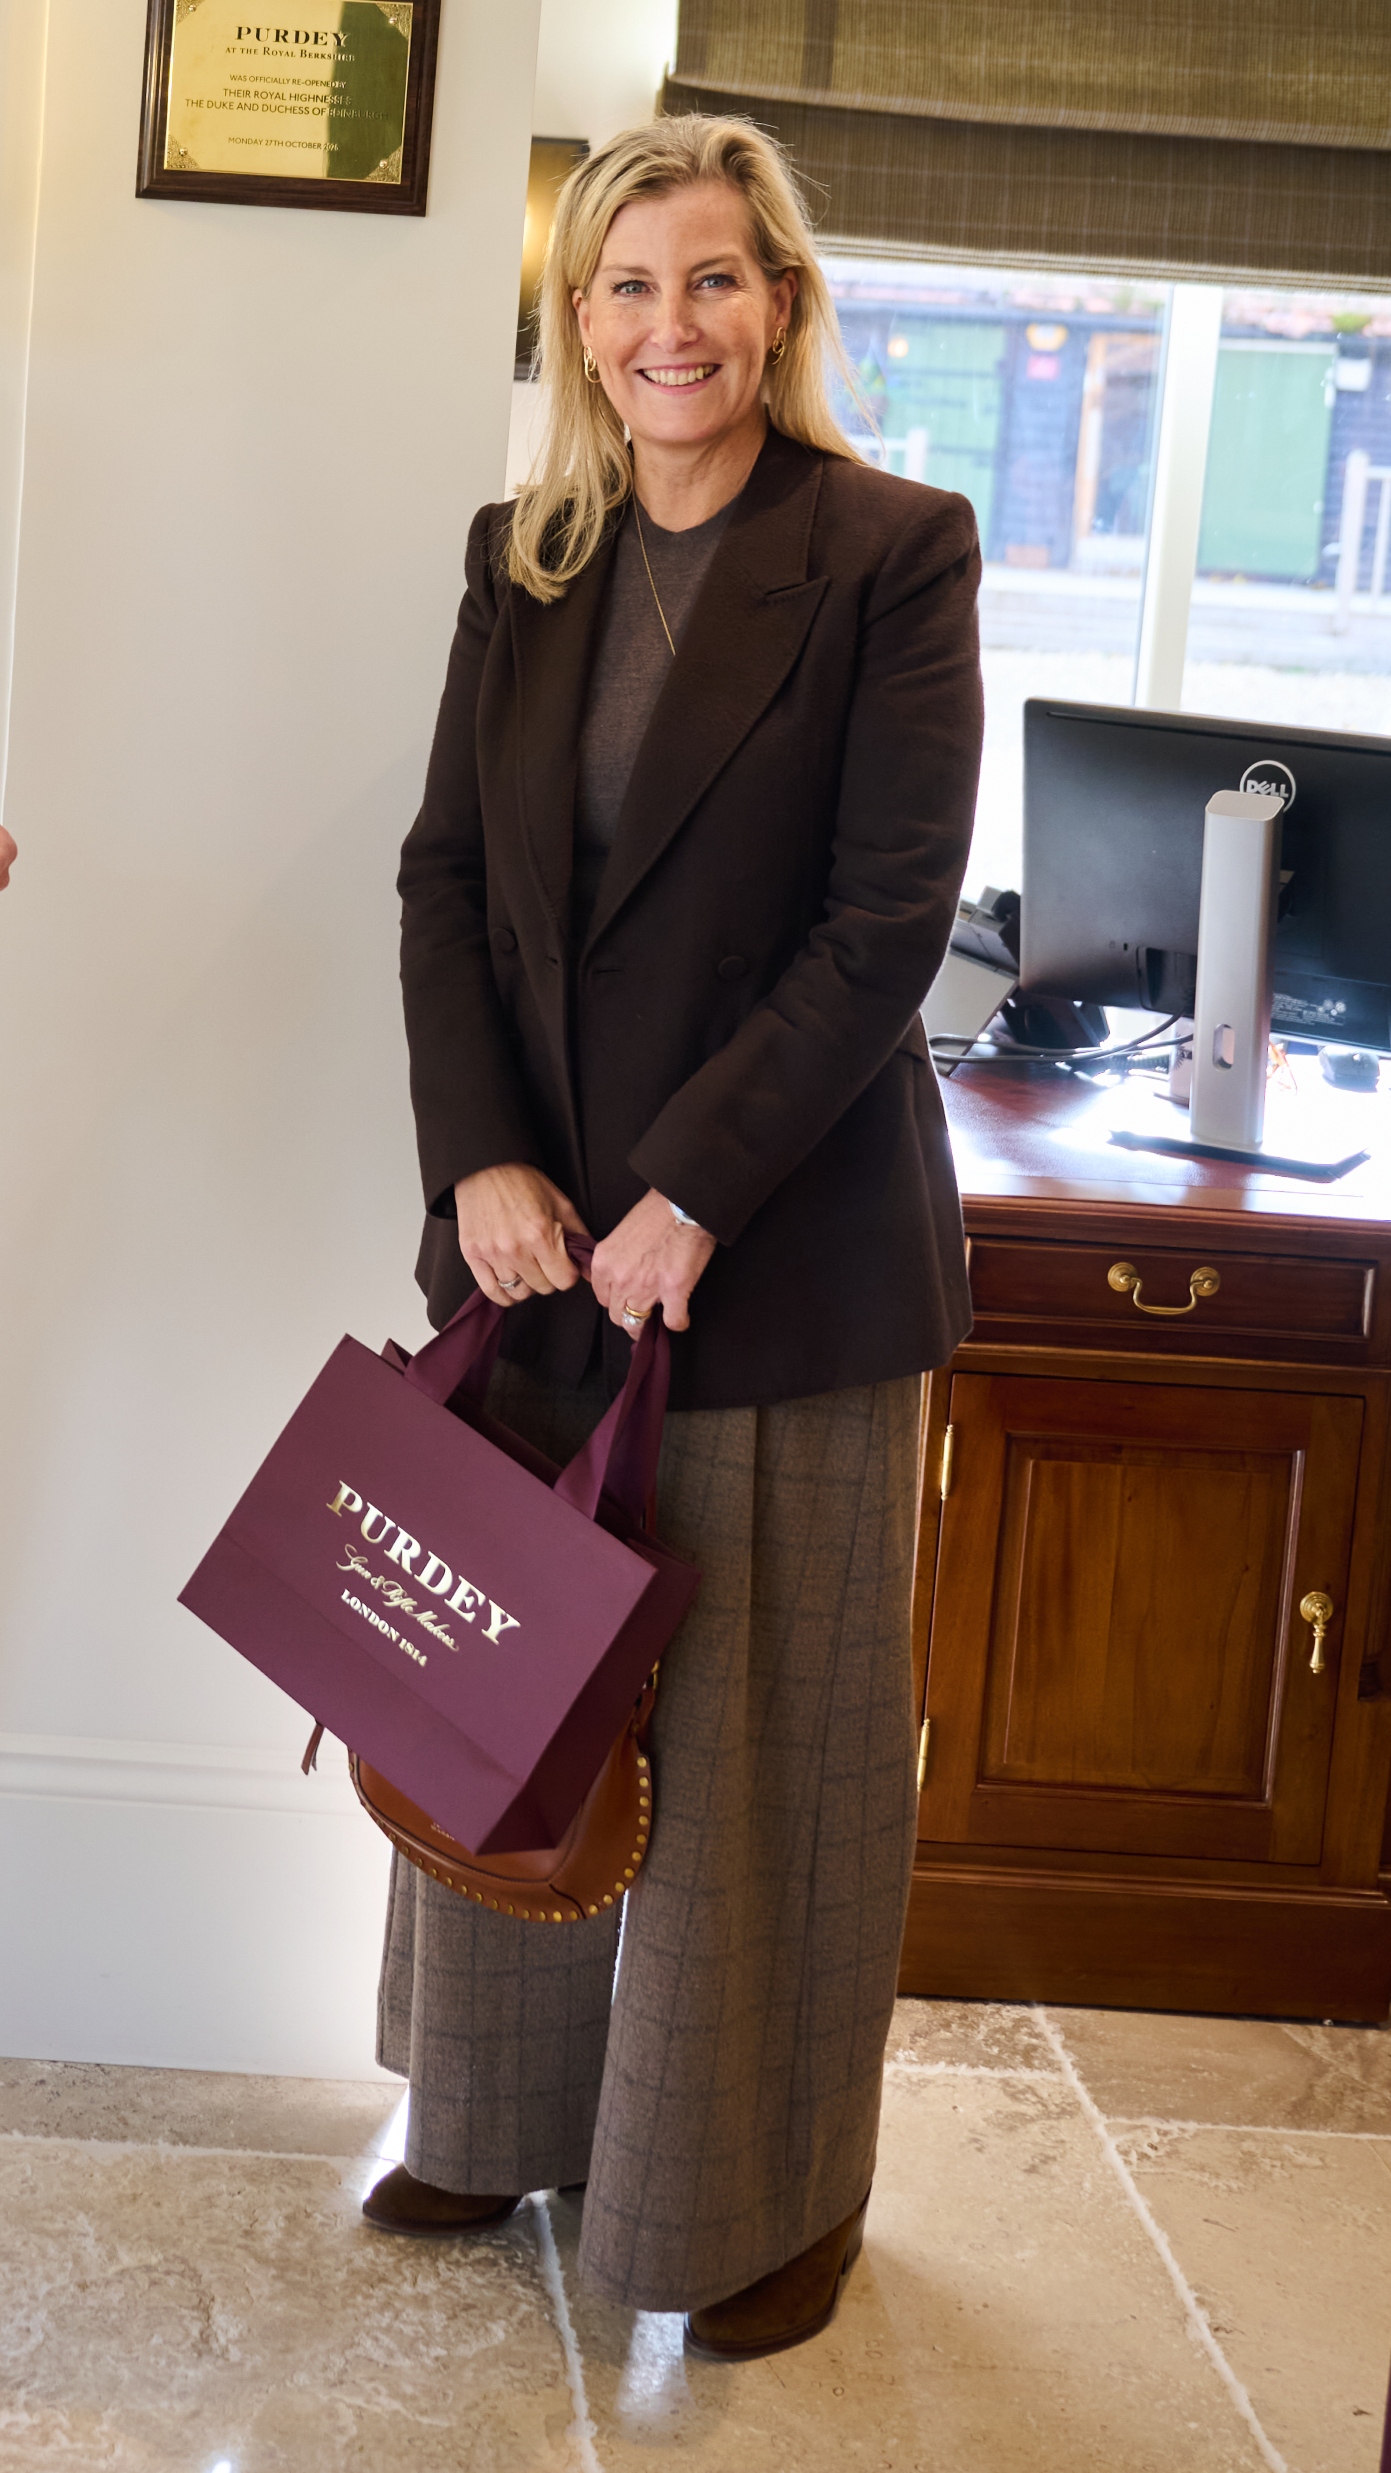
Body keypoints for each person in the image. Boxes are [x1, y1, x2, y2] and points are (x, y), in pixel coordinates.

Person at [368, 111, 983, 2361]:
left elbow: (884, 920)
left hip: (785, 1256)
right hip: (530, 1255)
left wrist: (687, 1190)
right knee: (506, 1695)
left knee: (771, 1760)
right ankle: (493, 2114)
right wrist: (483, 1163)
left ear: (784, 305)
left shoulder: (895, 552)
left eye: (713, 279)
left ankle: (759, 2210)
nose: (669, 326)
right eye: (628, 287)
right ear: (579, 322)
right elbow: (445, 880)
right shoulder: (518, 557)